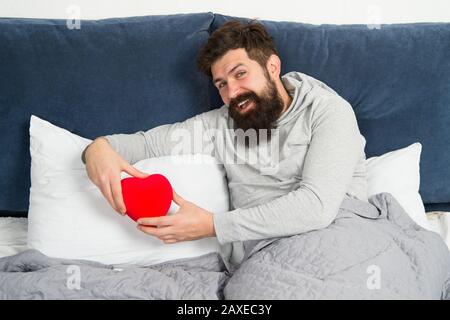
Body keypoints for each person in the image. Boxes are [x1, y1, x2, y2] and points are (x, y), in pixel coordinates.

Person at [83, 20, 367, 270]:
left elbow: (316, 206)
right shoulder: (220, 125)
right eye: (221, 84)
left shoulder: (328, 112)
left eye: (240, 74)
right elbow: (145, 144)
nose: (232, 93)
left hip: (341, 238)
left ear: (272, 66)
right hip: (268, 257)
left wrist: (213, 226)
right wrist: (97, 149)